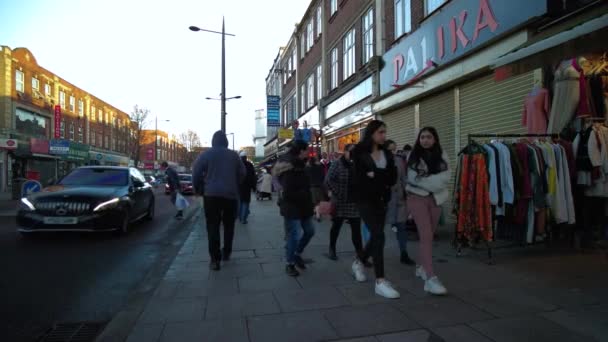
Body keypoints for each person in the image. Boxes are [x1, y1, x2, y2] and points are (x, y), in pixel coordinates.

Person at [351, 120, 400, 299]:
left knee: (378, 235)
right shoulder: (358, 152)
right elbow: (359, 179)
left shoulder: (387, 152)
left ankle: (359, 261)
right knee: (379, 235)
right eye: (381, 132)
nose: (384, 136)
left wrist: (375, 175)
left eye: (385, 132)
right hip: (364, 200)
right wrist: (379, 178)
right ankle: (380, 281)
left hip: (382, 200)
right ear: (371, 133)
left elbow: (393, 178)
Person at [406, 127, 450, 295]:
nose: (425, 140)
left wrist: (425, 180)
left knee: (429, 236)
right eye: (422, 137)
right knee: (426, 236)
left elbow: (445, 178)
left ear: (435, 139)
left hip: (437, 199)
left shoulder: (442, 155)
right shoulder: (413, 156)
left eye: (429, 137)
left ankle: (421, 266)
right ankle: (430, 278)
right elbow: (412, 178)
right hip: (416, 199)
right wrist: (433, 182)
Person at [193, 131, 246, 271]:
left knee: (212, 226)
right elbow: (243, 173)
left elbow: (196, 172)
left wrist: (198, 188)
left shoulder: (206, 154)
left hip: (211, 195)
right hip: (230, 195)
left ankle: (214, 260)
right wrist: (235, 183)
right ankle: (227, 252)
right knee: (229, 226)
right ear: (226, 141)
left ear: (213, 141)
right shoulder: (234, 155)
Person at [273, 140, 315, 277]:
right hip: (291, 207)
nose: (308, 152)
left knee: (310, 231)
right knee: (294, 236)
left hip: (304, 205)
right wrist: (304, 193)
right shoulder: (290, 166)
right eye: (307, 149)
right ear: (301, 151)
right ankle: (289, 263)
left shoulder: (301, 164)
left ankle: (297, 253)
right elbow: (288, 191)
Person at [325, 144, 363, 261]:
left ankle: (360, 254)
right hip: (340, 201)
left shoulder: (358, 164)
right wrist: (337, 192)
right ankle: (332, 248)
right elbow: (328, 179)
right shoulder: (337, 163)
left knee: (356, 230)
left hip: (354, 201)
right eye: (351, 151)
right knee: (336, 227)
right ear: (345, 152)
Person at [238, 151, 257, 224]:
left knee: (240, 202)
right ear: (246, 157)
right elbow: (253, 177)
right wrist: (254, 187)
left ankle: (240, 217)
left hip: (239, 186)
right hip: (247, 186)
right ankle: (243, 219)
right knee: (245, 202)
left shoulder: (238, 165)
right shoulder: (249, 165)